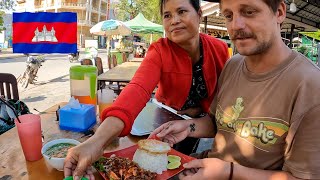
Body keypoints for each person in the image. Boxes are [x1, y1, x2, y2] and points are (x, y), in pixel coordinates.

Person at [151, 0, 320, 179]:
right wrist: (188, 127)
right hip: (202, 168)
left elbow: (301, 177)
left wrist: (228, 172)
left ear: (279, 12)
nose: (235, 25)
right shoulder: (233, 64)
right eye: (229, 15)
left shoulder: (310, 85)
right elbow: (219, 123)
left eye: (249, 12)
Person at [64, 0, 229, 179]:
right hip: (166, 122)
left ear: (199, 14)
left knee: (189, 166)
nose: (174, 20)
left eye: (182, 11)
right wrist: (96, 142)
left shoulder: (219, 49)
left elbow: (226, 101)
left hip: (206, 124)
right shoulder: (159, 50)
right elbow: (137, 89)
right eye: (167, 15)